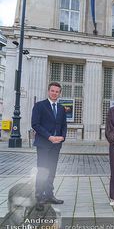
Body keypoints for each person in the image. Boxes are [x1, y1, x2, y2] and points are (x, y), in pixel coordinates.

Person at [31, 82, 67, 212]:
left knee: (52, 171)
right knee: (42, 171)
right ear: (48, 91)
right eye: (52, 91)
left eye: (57, 91)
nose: (54, 93)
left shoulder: (62, 108)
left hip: (56, 145)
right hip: (44, 144)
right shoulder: (39, 106)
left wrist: (62, 137)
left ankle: (49, 195)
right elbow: (35, 124)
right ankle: (39, 198)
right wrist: (49, 137)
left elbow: (63, 125)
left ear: (60, 93)